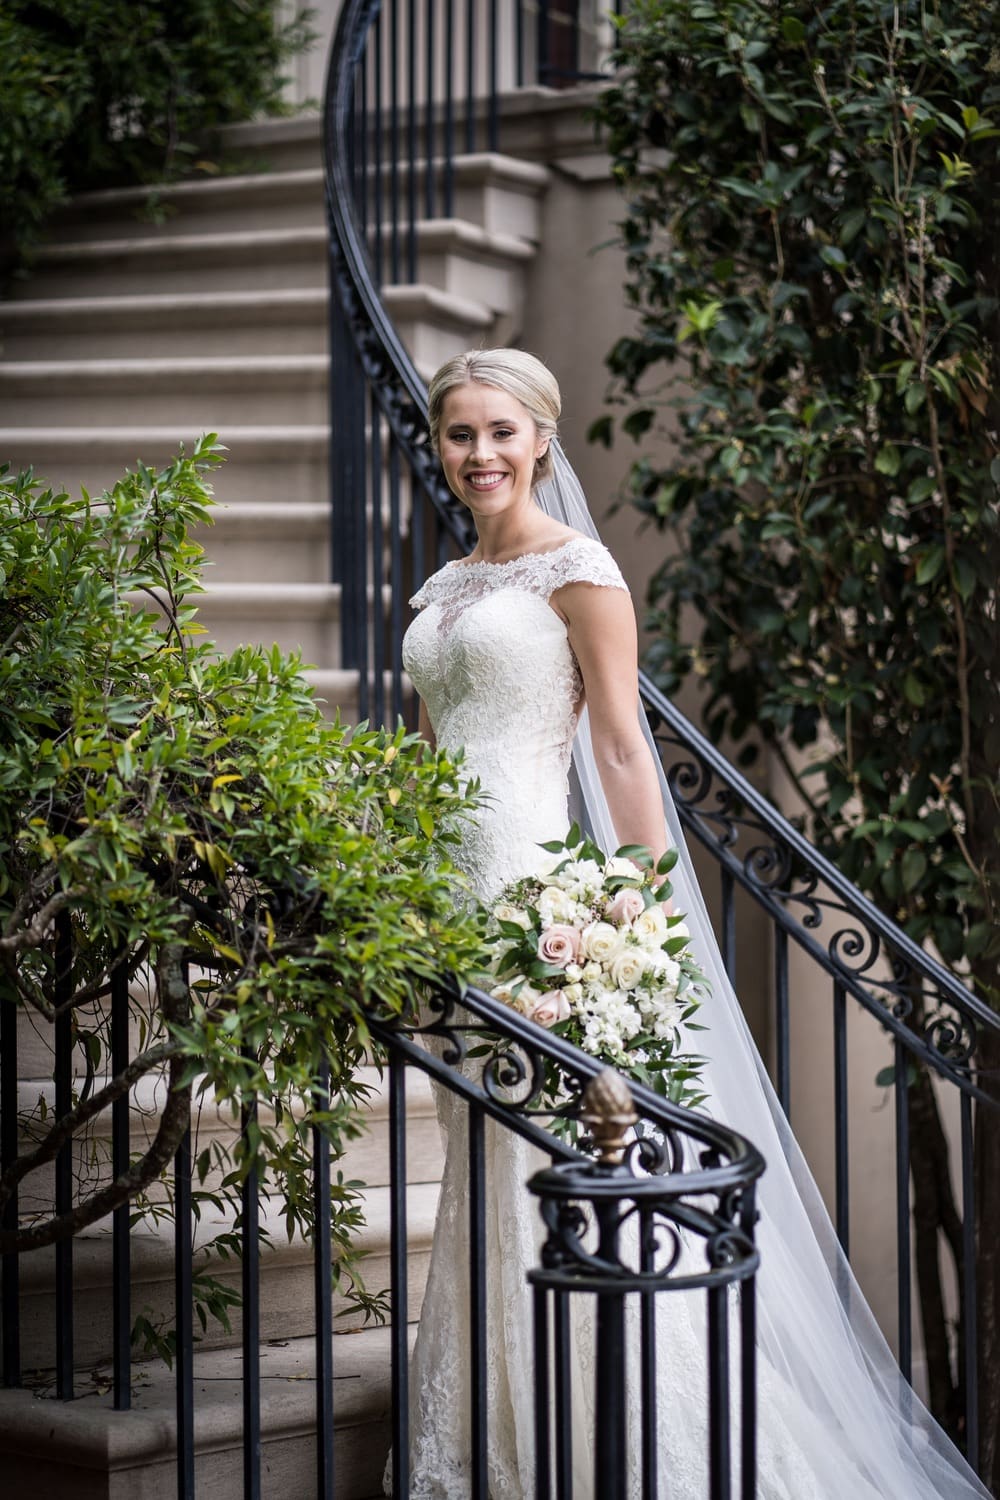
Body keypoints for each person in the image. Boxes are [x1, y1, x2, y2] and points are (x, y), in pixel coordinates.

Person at [388, 348, 990, 1499]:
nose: (480, 455)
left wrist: (636, 907)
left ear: (542, 439)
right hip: (446, 903)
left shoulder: (580, 570)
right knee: (483, 1160)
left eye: (502, 432)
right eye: (460, 434)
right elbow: (431, 752)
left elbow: (619, 745)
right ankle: (503, 1438)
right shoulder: (444, 585)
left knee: (561, 1156)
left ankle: (610, 1448)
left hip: (535, 896)